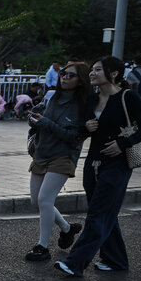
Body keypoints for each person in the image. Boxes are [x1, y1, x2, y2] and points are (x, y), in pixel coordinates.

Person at [56, 56, 141, 276]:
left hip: (117, 165)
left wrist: (123, 143)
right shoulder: (92, 100)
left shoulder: (128, 97)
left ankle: (75, 263)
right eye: (92, 70)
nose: (92, 73)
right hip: (92, 163)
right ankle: (116, 259)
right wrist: (86, 127)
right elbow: (81, 131)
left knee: (97, 214)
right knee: (104, 212)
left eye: (98, 70)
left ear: (114, 73)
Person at [23, 61, 88, 262]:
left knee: (44, 200)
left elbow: (73, 137)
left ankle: (42, 247)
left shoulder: (83, 106)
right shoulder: (51, 96)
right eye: (64, 74)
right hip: (41, 153)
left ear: (80, 81)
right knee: (37, 201)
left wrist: (45, 122)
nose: (65, 78)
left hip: (63, 156)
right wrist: (33, 119)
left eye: (71, 75)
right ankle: (68, 228)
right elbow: (37, 117)